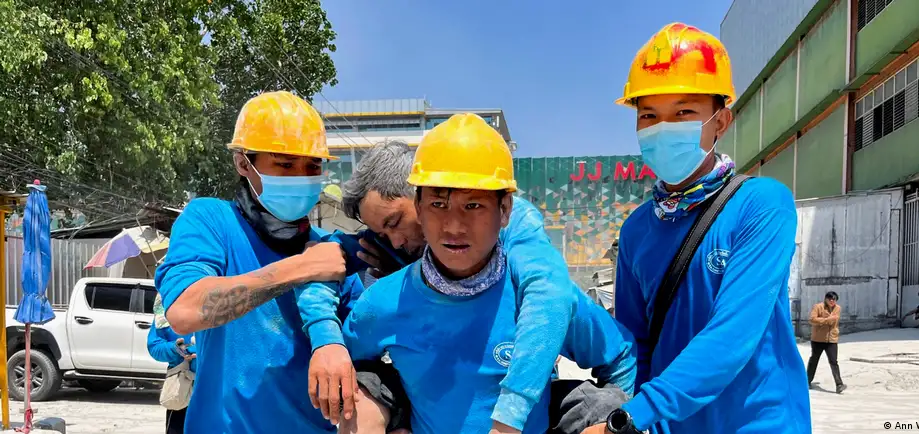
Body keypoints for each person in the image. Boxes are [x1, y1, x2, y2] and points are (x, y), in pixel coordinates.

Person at [341, 113, 636, 433]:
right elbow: (348, 365)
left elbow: (621, 356)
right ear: (419, 207)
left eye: (473, 206)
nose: (454, 226)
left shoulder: (541, 301)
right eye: (438, 205)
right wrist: (390, 414)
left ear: (505, 210)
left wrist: (614, 419)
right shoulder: (382, 303)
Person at [601, 23, 811, 433]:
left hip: (759, 424)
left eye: (683, 112)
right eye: (649, 116)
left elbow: (733, 333)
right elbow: (634, 343)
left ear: (721, 121)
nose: (664, 128)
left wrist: (634, 415)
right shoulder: (637, 229)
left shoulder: (761, 204)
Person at [302, 140, 585, 431]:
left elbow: (549, 291)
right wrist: (326, 339)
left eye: (395, 222)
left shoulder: (508, 221)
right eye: (382, 233)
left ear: (420, 195)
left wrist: (511, 416)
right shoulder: (387, 251)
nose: (395, 242)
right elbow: (319, 264)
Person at [155, 91, 380, 434]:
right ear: (243, 163)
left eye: (312, 166)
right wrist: (301, 268)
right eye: (285, 165)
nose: (302, 177)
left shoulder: (331, 252)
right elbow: (185, 310)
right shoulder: (212, 220)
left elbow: (367, 349)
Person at [146, 294, 197, 434]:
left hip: (219, 387)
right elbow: (155, 346)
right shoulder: (166, 304)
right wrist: (175, 349)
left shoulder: (223, 298)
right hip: (182, 388)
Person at [806, 292, 845, 394]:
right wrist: (826, 319)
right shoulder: (818, 307)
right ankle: (807, 381)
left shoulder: (838, 308)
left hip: (832, 339)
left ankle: (839, 384)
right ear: (826, 299)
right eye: (830, 299)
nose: (832, 301)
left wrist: (827, 320)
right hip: (818, 339)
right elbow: (812, 319)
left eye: (834, 299)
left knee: (834, 361)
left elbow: (834, 320)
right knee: (814, 360)